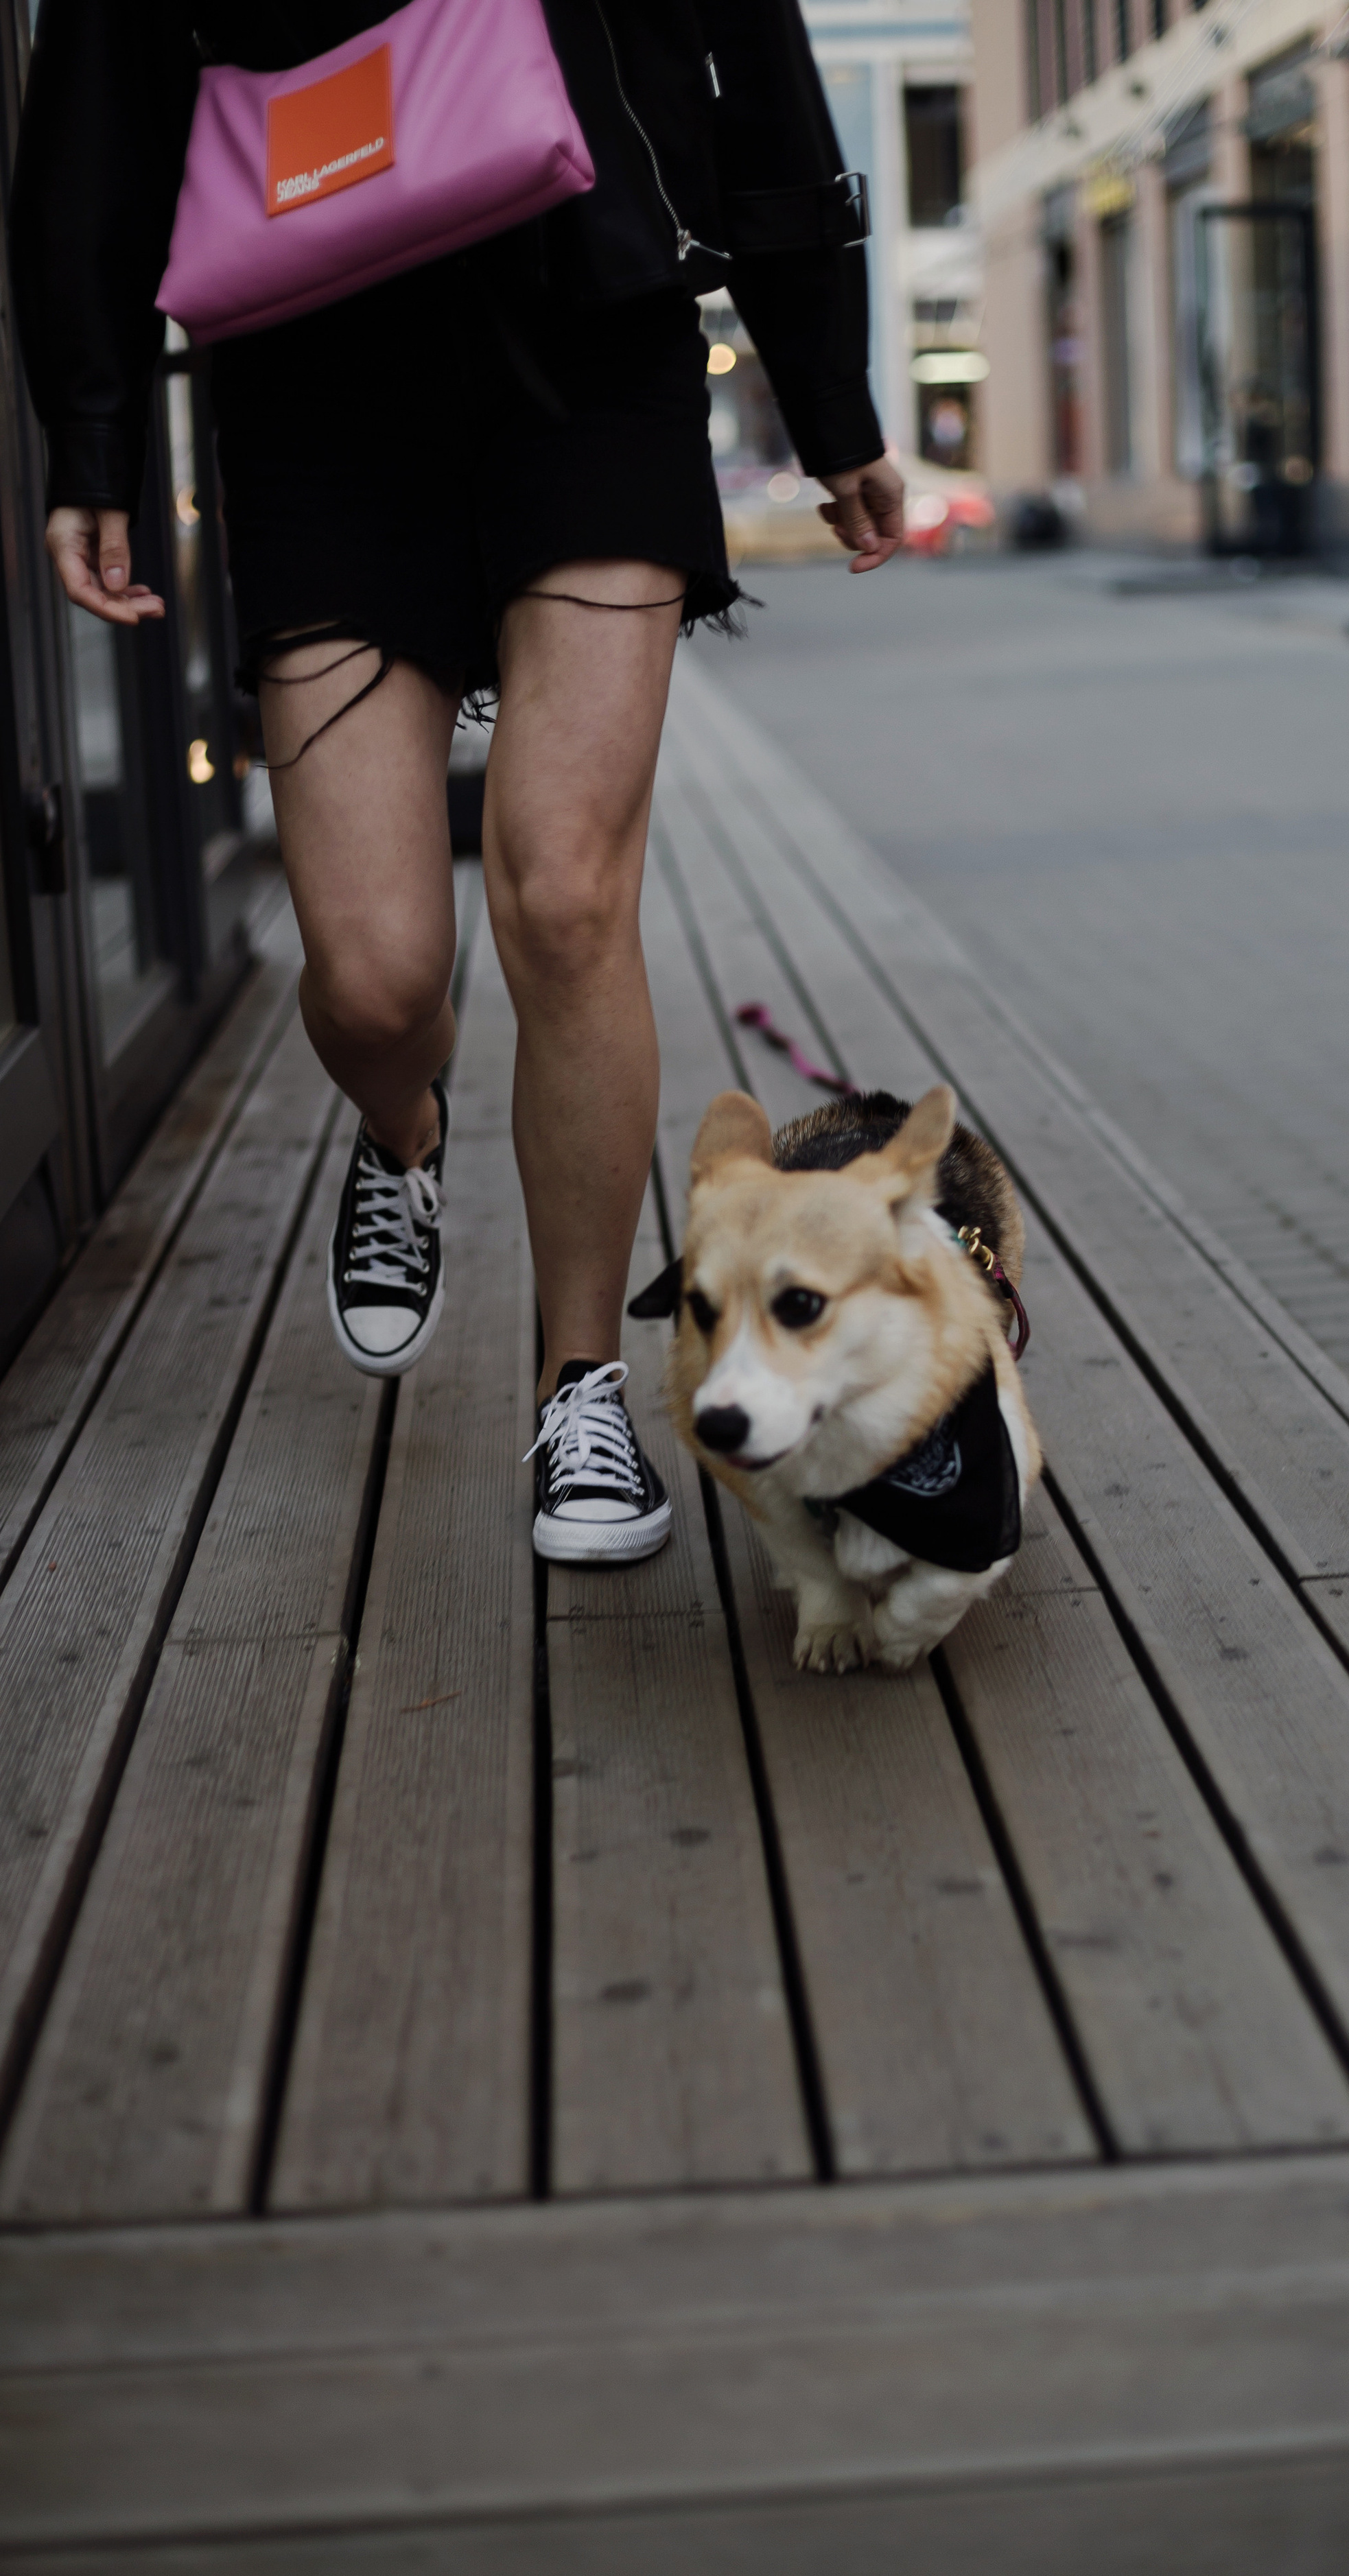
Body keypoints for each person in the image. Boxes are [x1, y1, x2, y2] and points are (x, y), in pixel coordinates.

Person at [11, 0, 903, 1566]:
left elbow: (750, 62)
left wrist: (830, 397)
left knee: (561, 890)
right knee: (369, 977)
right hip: (313, 374)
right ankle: (403, 1131)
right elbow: (95, 111)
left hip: (598, 332)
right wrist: (89, 437)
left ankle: (581, 1389)